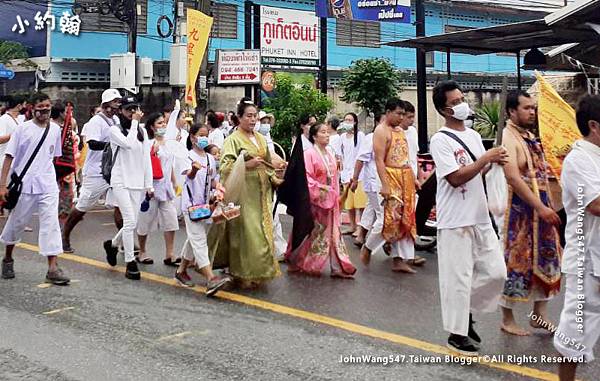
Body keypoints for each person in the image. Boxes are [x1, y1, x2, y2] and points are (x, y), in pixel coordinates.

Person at [429, 80, 508, 355]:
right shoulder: (439, 140)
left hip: (479, 215)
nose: (463, 104)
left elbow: (476, 173)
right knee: (457, 278)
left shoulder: (473, 136)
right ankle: (456, 333)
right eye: (456, 102)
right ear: (444, 110)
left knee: (497, 272)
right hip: (455, 219)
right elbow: (454, 177)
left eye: (462, 98)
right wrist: (486, 159)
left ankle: (467, 314)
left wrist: (490, 164)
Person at [499, 90, 562, 336]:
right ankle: (507, 318)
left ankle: (539, 315)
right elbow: (513, 177)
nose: (532, 112)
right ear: (511, 111)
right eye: (526, 108)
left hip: (542, 210)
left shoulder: (529, 136)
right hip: (520, 213)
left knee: (547, 259)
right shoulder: (508, 137)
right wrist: (540, 207)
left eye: (533, 108)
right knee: (516, 261)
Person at [209, 98, 280, 288]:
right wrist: (246, 165)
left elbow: (268, 163)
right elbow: (225, 167)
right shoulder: (232, 140)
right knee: (247, 232)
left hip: (260, 192)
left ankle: (258, 271)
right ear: (239, 118)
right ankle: (242, 273)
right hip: (243, 192)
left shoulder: (260, 138)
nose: (253, 120)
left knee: (263, 231)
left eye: (255, 116)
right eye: (248, 116)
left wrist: (277, 174)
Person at [0, 92, 70, 285]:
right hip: (24, 185)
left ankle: (53, 268)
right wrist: (2, 185)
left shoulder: (55, 130)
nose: (44, 112)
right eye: (40, 109)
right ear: (31, 109)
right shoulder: (22, 129)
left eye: (47, 108)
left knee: (50, 224)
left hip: (47, 185)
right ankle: (7, 257)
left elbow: (53, 158)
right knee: (17, 222)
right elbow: (9, 157)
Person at [553, 95, 600, 381]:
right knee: (575, 332)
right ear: (594, 126)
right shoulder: (578, 160)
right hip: (587, 262)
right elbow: (596, 204)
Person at [286, 123, 356, 278]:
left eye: (327, 132)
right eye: (322, 132)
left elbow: (334, 177)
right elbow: (306, 179)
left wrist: (336, 195)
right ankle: (301, 261)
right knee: (314, 234)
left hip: (330, 201)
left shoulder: (329, 154)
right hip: (317, 202)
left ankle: (338, 267)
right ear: (314, 136)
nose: (326, 135)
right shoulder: (309, 154)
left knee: (334, 234)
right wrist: (323, 191)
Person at [360, 100, 419, 273]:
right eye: (399, 113)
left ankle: (399, 259)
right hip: (389, 177)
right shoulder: (381, 131)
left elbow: (406, 157)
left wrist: (413, 178)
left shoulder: (401, 131)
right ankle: (369, 247)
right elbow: (379, 159)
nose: (401, 117)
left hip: (405, 177)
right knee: (388, 219)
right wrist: (385, 185)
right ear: (388, 112)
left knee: (405, 219)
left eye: (403, 114)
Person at [61, 89, 122, 253]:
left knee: (120, 205)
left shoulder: (115, 119)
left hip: (113, 170)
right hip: (96, 172)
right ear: (106, 104)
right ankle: (64, 236)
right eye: (115, 101)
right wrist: (113, 146)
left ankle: (123, 241)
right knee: (83, 206)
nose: (118, 105)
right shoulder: (96, 121)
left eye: (118, 101)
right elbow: (93, 144)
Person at [174, 124, 232, 296]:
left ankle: (181, 271)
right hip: (190, 206)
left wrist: (218, 188)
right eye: (201, 135)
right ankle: (211, 278)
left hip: (205, 206)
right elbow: (188, 177)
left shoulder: (209, 158)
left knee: (194, 239)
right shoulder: (187, 156)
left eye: (206, 135)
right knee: (199, 240)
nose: (204, 138)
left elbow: (213, 179)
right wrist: (193, 169)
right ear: (192, 137)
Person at [103, 96, 153, 280]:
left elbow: (146, 158)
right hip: (120, 180)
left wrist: (149, 184)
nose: (132, 113)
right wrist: (134, 124)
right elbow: (128, 144)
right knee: (130, 221)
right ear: (120, 111)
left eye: (135, 109)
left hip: (137, 181)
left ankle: (113, 245)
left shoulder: (142, 131)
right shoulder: (114, 130)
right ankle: (131, 263)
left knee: (134, 221)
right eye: (128, 109)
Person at [136, 112, 180, 266]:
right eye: (160, 123)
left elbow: (170, 165)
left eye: (164, 123)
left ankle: (170, 253)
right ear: (152, 127)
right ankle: (142, 251)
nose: (163, 126)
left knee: (171, 220)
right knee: (145, 221)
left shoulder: (168, 143)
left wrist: (174, 181)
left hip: (166, 188)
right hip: (151, 188)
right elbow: (144, 167)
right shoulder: (148, 144)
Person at [340, 112, 367, 236]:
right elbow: (341, 155)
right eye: (346, 120)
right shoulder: (343, 137)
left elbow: (362, 154)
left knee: (360, 203)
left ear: (355, 122)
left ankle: (360, 227)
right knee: (349, 203)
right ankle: (352, 226)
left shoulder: (360, 136)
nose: (348, 122)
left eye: (350, 120)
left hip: (358, 174)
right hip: (346, 172)